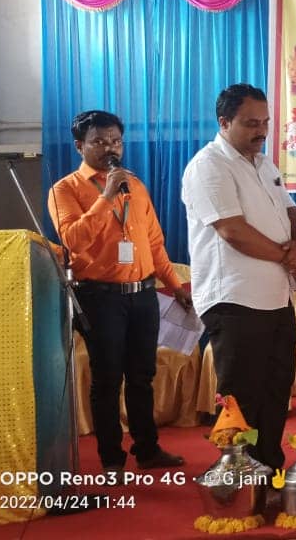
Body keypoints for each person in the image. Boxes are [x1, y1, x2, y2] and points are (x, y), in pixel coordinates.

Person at [48, 110, 190, 478]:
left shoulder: (135, 186)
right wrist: (106, 197)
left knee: (142, 376)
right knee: (107, 379)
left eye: (115, 141)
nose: (110, 148)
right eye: (99, 141)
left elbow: (154, 242)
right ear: (79, 146)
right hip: (100, 298)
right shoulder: (65, 189)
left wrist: (175, 286)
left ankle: (148, 449)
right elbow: (73, 240)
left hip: (143, 296)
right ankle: (111, 458)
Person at [181, 83, 296, 471]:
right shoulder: (209, 166)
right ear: (224, 122)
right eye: (251, 123)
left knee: (276, 392)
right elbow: (232, 230)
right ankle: (238, 478)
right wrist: (288, 259)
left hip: (276, 298)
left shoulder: (264, 164)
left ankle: (269, 471)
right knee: (241, 399)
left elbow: (292, 214)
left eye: (265, 123)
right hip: (234, 300)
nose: (261, 131)